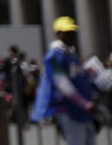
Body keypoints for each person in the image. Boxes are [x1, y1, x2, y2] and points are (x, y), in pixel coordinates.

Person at [32, 16, 97, 145]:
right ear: (57, 34)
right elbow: (62, 83)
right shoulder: (54, 56)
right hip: (67, 108)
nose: (71, 35)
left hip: (80, 109)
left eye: (72, 32)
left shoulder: (71, 54)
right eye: (67, 32)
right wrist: (85, 104)